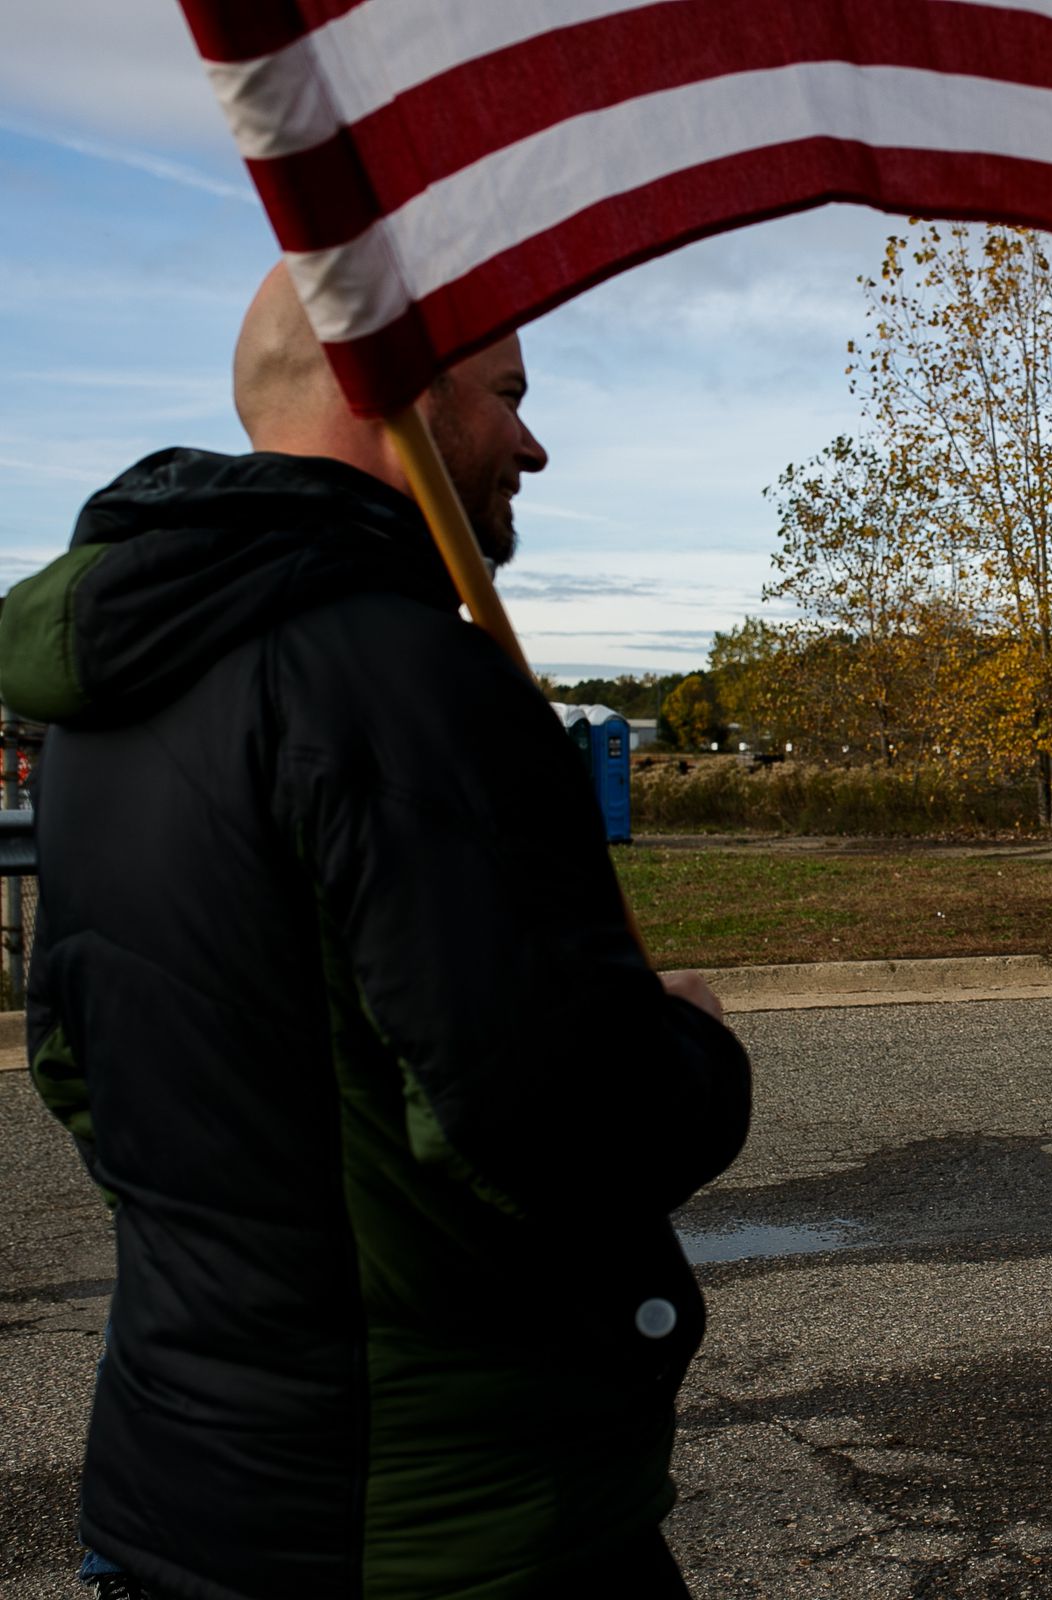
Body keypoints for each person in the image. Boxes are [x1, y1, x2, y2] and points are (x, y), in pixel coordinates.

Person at [0, 266, 753, 1599]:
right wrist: (689, 1051)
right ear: (388, 397)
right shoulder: (403, 678)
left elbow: (73, 1057)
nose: (531, 440)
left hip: (182, 1495)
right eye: (508, 394)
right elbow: (550, 1121)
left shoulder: (99, 704)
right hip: (431, 1525)